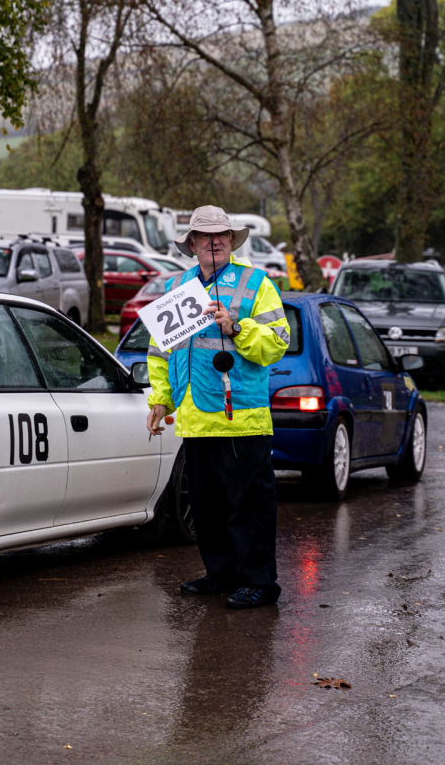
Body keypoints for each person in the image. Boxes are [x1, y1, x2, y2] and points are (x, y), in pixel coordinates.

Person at [145, 205, 290, 609]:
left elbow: (278, 341)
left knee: (248, 506)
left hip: (241, 419)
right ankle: (221, 575)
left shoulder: (257, 283)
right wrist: (160, 399)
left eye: (221, 235)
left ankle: (260, 583)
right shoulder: (177, 286)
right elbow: (160, 352)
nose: (214, 242)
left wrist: (237, 327)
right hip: (195, 419)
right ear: (191, 244)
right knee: (207, 508)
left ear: (231, 241)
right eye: (205, 236)